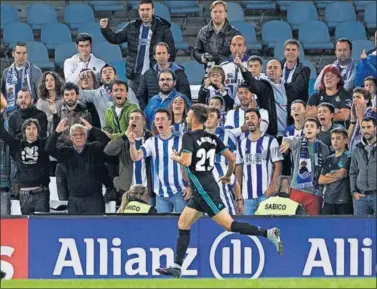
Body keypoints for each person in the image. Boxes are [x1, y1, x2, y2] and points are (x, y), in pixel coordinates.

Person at [156, 104, 283, 278]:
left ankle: (268, 233)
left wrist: (175, 157)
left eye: (188, 115)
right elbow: (232, 157)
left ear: (193, 118)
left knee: (229, 225)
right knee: (183, 223)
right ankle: (177, 266)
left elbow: (185, 162)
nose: (186, 117)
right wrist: (228, 174)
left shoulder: (188, 136)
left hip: (203, 188)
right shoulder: (212, 138)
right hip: (205, 185)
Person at [100, 0, 175, 104]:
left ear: (152, 11)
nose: (145, 12)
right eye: (142, 10)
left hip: (154, 75)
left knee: (154, 104)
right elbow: (116, 38)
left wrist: (163, 71)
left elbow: (171, 51)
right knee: (131, 104)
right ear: (138, 12)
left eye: (147, 9)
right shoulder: (132, 26)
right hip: (135, 75)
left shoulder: (163, 27)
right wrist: (105, 29)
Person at [46, 118, 111, 214]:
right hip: (74, 201)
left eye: (82, 134)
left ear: (86, 136)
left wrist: (91, 128)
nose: (78, 137)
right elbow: (49, 149)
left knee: (95, 228)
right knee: (74, 229)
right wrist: (57, 132)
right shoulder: (67, 152)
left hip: (95, 200)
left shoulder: (94, 148)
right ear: (70, 138)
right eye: (75, 135)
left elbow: (105, 140)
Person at [129, 109, 187, 213]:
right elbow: (136, 157)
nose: (159, 122)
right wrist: (132, 144)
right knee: (162, 227)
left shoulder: (182, 141)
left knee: (182, 226)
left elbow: (190, 164)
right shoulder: (152, 141)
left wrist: (190, 187)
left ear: (169, 122)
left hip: (180, 192)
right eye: (157, 119)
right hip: (161, 194)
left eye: (162, 119)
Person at [235, 108, 283, 215]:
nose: (249, 121)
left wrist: (272, 187)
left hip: (265, 194)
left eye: (253, 117)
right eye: (247, 118)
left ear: (259, 120)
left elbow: (278, 165)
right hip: (247, 196)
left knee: (267, 228)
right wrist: (239, 196)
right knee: (249, 229)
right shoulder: (241, 143)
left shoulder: (271, 140)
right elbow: (238, 168)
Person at [0, 116, 50, 214]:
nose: (31, 131)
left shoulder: (43, 144)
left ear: (38, 131)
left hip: (41, 193)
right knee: (27, 226)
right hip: (24, 194)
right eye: (28, 128)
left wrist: (55, 116)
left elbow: (54, 136)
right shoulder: (17, 145)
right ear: (24, 131)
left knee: (42, 226)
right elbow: (2, 133)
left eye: (34, 128)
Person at [280, 118, 329, 215]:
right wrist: (286, 143)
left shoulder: (324, 148)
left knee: (313, 225)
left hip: (315, 192)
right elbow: (289, 139)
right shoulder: (298, 142)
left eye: (312, 126)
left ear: (318, 130)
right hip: (297, 190)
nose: (309, 129)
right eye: (306, 126)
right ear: (303, 130)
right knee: (295, 223)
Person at [104, 109, 153, 194]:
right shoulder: (123, 140)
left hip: (147, 189)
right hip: (128, 189)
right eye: (131, 118)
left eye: (137, 118)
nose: (133, 120)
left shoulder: (151, 138)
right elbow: (108, 151)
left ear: (144, 122)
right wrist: (124, 136)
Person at [205, 107, 243, 215]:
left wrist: (239, 199)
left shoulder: (228, 136)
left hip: (222, 179)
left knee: (228, 218)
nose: (208, 119)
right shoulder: (196, 137)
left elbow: (236, 164)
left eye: (211, 116)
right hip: (203, 183)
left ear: (218, 120)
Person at [137, 42, 191, 109]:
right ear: (155, 56)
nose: (161, 56)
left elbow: (186, 96)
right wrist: (147, 111)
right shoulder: (147, 74)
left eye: (164, 53)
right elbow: (141, 96)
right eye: (159, 53)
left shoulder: (179, 73)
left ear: (168, 55)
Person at [193, 1, 240, 69]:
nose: (217, 14)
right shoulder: (203, 31)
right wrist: (202, 57)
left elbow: (240, 54)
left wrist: (220, 60)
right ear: (211, 14)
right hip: (209, 71)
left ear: (225, 14)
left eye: (220, 12)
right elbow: (196, 51)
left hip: (229, 71)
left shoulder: (234, 33)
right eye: (215, 12)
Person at [319, 128, 353, 215]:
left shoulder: (349, 155)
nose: (335, 141)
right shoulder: (329, 158)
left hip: (344, 200)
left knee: (343, 228)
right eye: (333, 138)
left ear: (345, 140)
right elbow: (320, 180)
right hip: (328, 200)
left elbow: (342, 174)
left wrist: (329, 175)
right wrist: (336, 175)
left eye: (338, 138)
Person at [1, 42, 42, 107]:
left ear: (27, 55)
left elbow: (41, 97)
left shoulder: (36, 71)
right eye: (18, 53)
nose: (21, 56)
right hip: (10, 112)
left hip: (30, 111)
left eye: (24, 53)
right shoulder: (6, 73)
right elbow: (3, 97)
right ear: (13, 54)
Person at [349, 117, 377, 216]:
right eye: (363, 127)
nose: (366, 130)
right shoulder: (357, 149)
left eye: (369, 127)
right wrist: (353, 192)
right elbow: (353, 172)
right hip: (361, 197)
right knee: (360, 229)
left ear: (375, 128)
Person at [78, 64, 116, 128]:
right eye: (82, 78)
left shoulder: (101, 95)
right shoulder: (78, 101)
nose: (85, 79)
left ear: (94, 80)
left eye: (88, 77)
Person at [220, 35, 249, 103]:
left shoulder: (251, 66)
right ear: (230, 48)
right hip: (226, 102)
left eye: (239, 45)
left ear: (245, 48)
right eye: (233, 45)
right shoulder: (223, 66)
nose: (236, 48)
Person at [36, 71, 64, 136]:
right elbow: (39, 119)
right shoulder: (40, 101)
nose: (49, 82)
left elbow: (63, 117)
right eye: (46, 80)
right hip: (44, 133)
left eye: (52, 79)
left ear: (56, 82)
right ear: (44, 83)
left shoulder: (62, 100)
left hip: (60, 132)